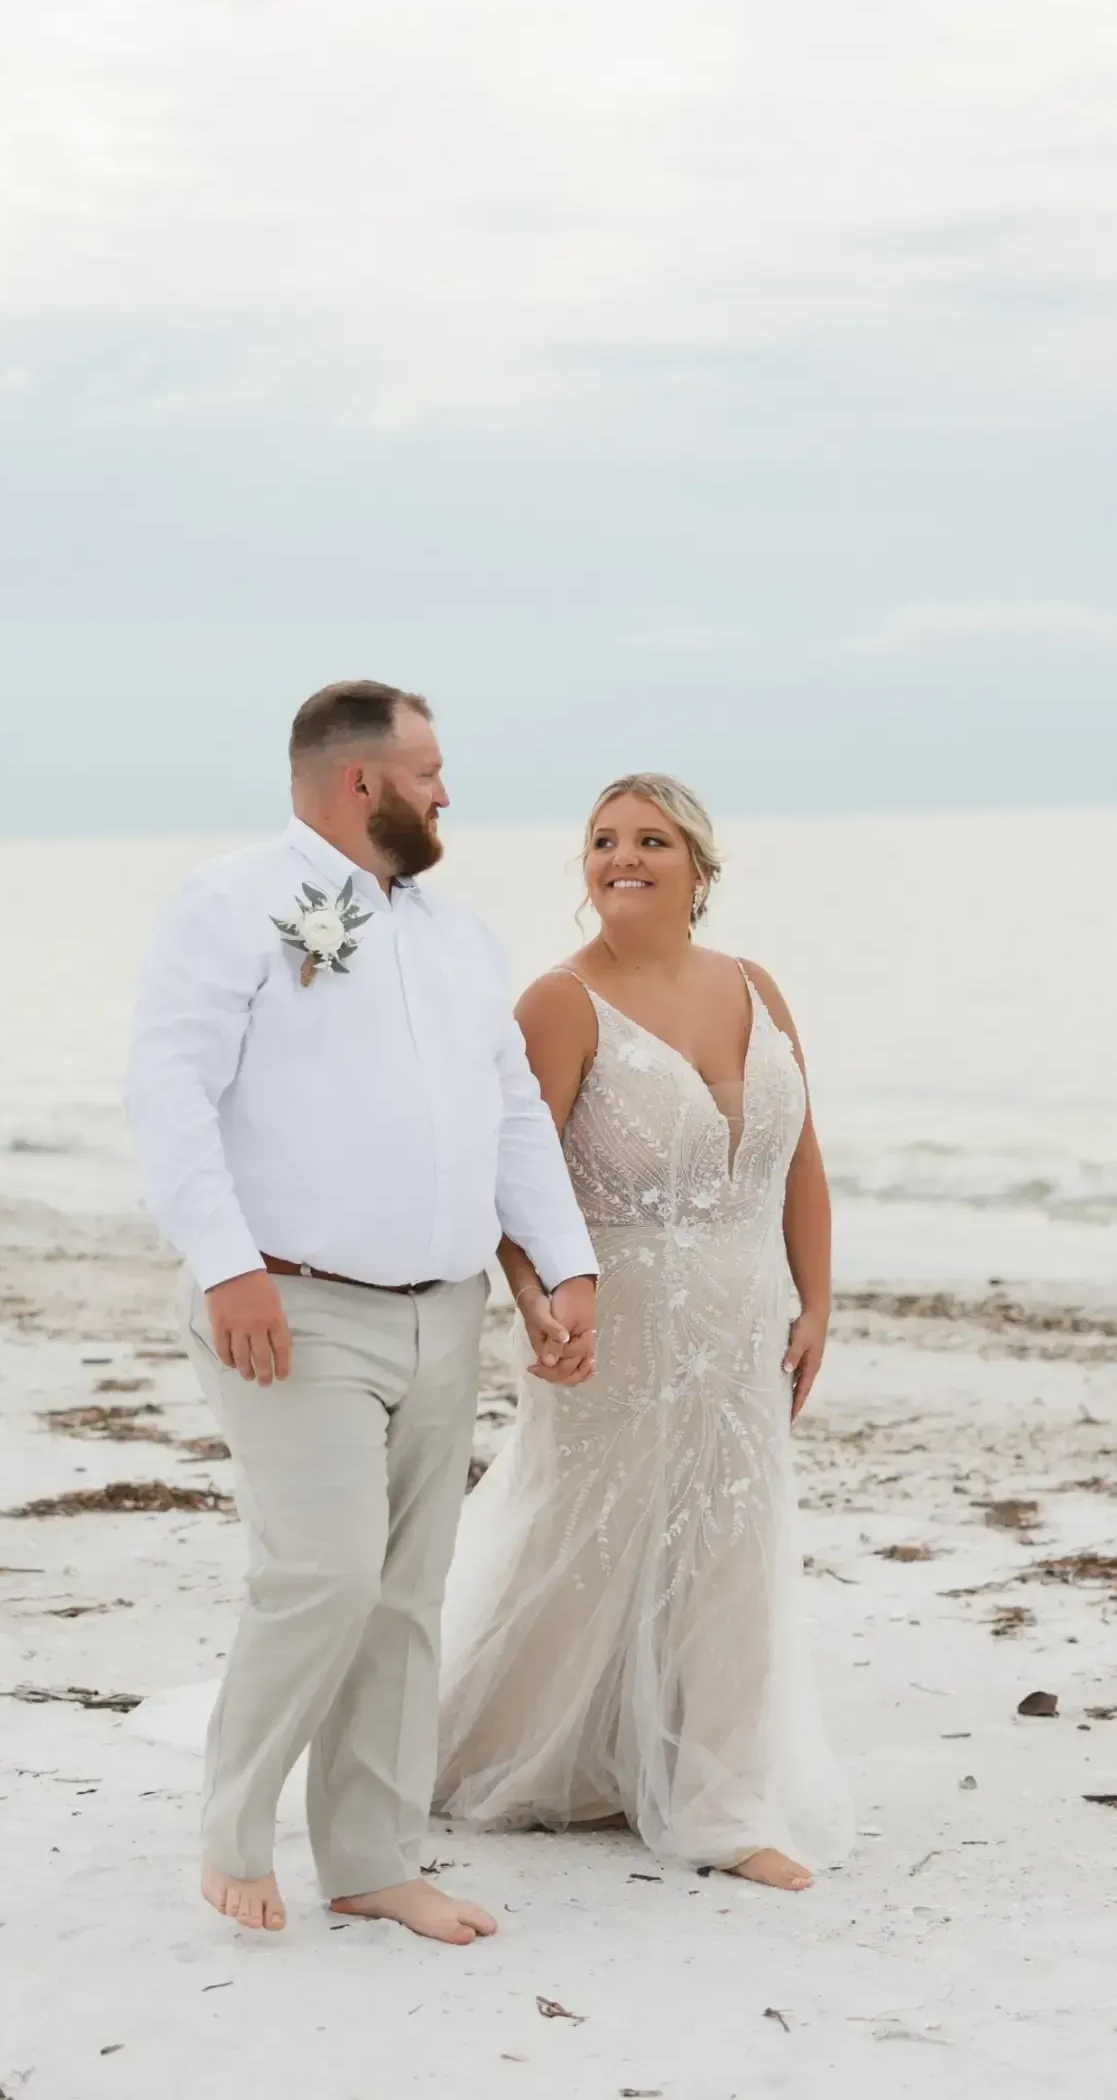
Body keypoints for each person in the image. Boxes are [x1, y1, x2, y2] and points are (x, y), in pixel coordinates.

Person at [124, 681, 599, 1943]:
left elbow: (507, 1112)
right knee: (321, 1574)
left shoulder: (458, 936)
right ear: (360, 783)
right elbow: (168, 1087)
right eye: (429, 768)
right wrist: (223, 1262)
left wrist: (563, 1266)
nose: (447, 789)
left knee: (402, 1595)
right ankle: (232, 1825)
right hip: (289, 1301)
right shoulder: (230, 901)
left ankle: (373, 1857)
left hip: (442, 1311)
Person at [434, 773, 851, 1889]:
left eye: (650, 839)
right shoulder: (559, 1001)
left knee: (729, 1541)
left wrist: (815, 1299)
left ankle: (719, 1800)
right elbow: (508, 1179)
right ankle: (528, 1746)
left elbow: (798, 1159)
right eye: (602, 839)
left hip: (742, 1319)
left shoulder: (756, 985)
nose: (621, 855)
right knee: (581, 1542)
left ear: (698, 870)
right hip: (605, 1326)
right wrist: (531, 1300)